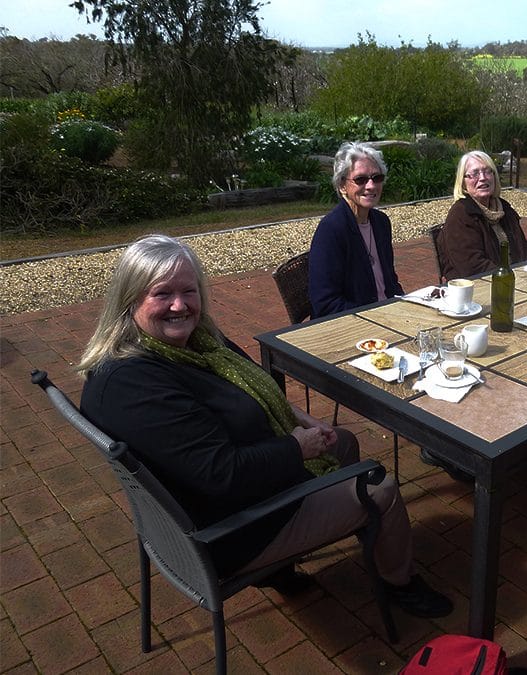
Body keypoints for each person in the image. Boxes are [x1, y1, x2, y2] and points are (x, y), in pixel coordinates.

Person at [78, 234, 451, 617]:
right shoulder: (133, 385)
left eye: (189, 290)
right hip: (234, 527)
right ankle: (400, 584)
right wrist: (299, 447)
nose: (179, 305)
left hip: (240, 484)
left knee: (343, 441)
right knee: (383, 489)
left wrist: (302, 420)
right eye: (162, 294)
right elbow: (224, 475)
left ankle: (297, 560)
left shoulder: (197, 343)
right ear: (130, 298)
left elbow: (259, 387)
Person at [309, 142, 404, 318]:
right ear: (342, 185)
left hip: (389, 315)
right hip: (354, 325)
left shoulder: (381, 223)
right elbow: (325, 303)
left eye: (377, 178)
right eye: (360, 179)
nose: (371, 186)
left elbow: (390, 283)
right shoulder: (331, 230)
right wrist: (376, 317)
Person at [439, 151, 527, 279]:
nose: (483, 178)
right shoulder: (461, 214)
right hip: (477, 288)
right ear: (463, 182)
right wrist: (511, 278)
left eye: (488, 171)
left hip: (515, 280)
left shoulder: (504, 209)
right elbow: (473, 267)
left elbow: (524, 249)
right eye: (475, 173)